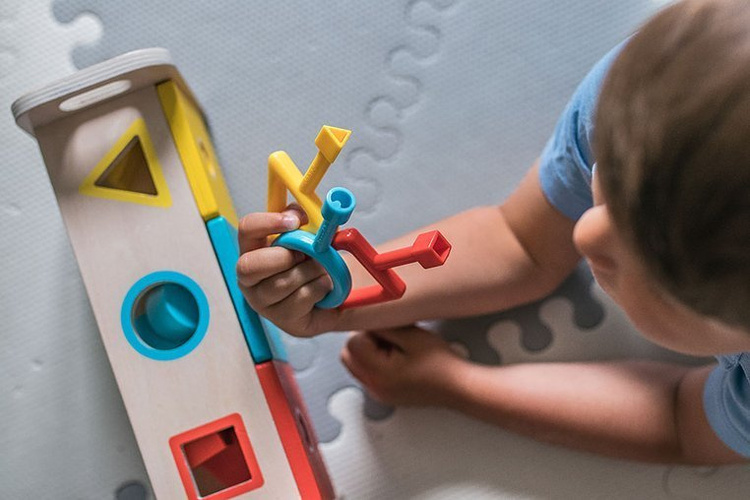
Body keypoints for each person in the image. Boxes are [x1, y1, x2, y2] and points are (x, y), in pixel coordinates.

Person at [236, 0, 750, 464]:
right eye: (608, 182)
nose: (587, 234)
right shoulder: (648, 94)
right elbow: (520, 243)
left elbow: (681, 420)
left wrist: (458, 385)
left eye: (655, 269)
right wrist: (334, 296)